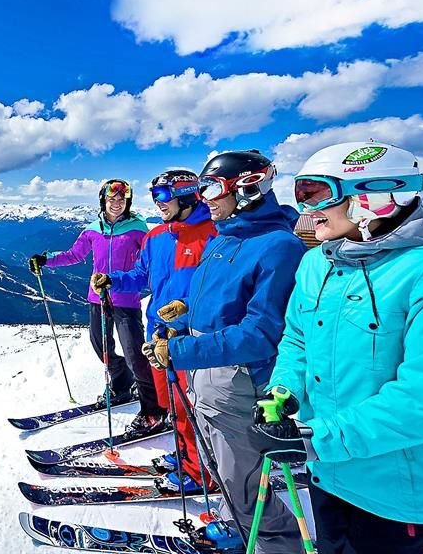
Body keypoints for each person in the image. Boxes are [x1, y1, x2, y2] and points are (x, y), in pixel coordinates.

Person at [251, 141, 423, 554]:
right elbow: (297, 339)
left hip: (403, 494)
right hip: (330, 473)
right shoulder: (318, 263)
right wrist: (283, 391)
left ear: (376, 196)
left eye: (317, 193)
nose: (307, 209)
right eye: (302, 193)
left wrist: (316, 438)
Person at [144, 150, 305, 552]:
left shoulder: (279, 247)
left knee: (242, 482)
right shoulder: (225, 237)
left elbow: (261, 333)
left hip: (237, 380)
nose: (204, 199)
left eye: (212, 189)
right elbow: (221, 306)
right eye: (201, 189)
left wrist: (181, 350)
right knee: (217, 462)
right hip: (207, 375)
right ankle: (234, 522)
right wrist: (184, 314)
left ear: (248, 188)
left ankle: (276, 544)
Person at [91, 170, 218, 493]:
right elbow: (141, 275)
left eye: (163, 196)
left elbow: (223, 289)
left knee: (192, 407)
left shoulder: (214, 234)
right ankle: (187, 454)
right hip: (158, 336)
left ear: (186, 196)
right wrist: (114, 280)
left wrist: (188, 309)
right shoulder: (156, 237)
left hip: (192, 339)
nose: (157, 203)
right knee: (170, 403)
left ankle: (200, 472)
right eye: (153, 196)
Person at [29, 179, 167, 432]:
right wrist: (46, 260)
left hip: (126, 299)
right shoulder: (93, 230)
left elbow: (151, 261)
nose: (117, 203)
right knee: (100, 346)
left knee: (135, 355)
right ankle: (121, 384)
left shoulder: (138, 229)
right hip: (97, 298)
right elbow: (74, 255)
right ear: (103, 201)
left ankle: (154, 411)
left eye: (122, 199)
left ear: (128, 202)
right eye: (111, 199)